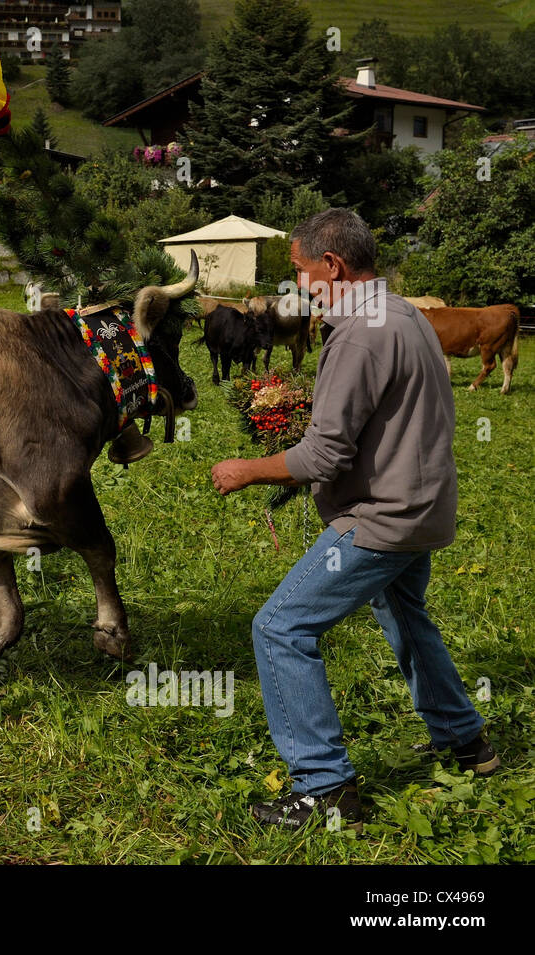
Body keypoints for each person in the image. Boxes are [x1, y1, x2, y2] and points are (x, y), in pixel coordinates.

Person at [210, 208, 497, 831]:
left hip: (379, 520)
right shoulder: (403, 316)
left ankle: (324, 787)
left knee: (280, 628)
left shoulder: (360, 332)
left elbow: (322, 455)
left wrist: (246, 468)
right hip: (423, 505)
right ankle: (466, 742)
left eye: (301, 271)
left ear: (332, 265)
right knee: (404, 614)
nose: (299, 285)